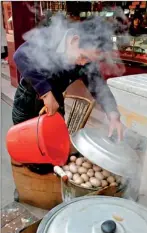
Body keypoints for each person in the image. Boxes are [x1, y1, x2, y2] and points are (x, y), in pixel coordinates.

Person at [12, 16, 123, 175]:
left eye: (89, 60)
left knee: (54, 148)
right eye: (83, 57)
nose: (84, 64)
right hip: (29, 99)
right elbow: (20, 56)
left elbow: (98, 86)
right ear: (74, 41)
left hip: (56, 101)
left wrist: (113, 115)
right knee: (28, 149)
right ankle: (27, 189)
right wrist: (45, 92)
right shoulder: (51, 37)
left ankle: (50, 186)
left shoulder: (85, 61)